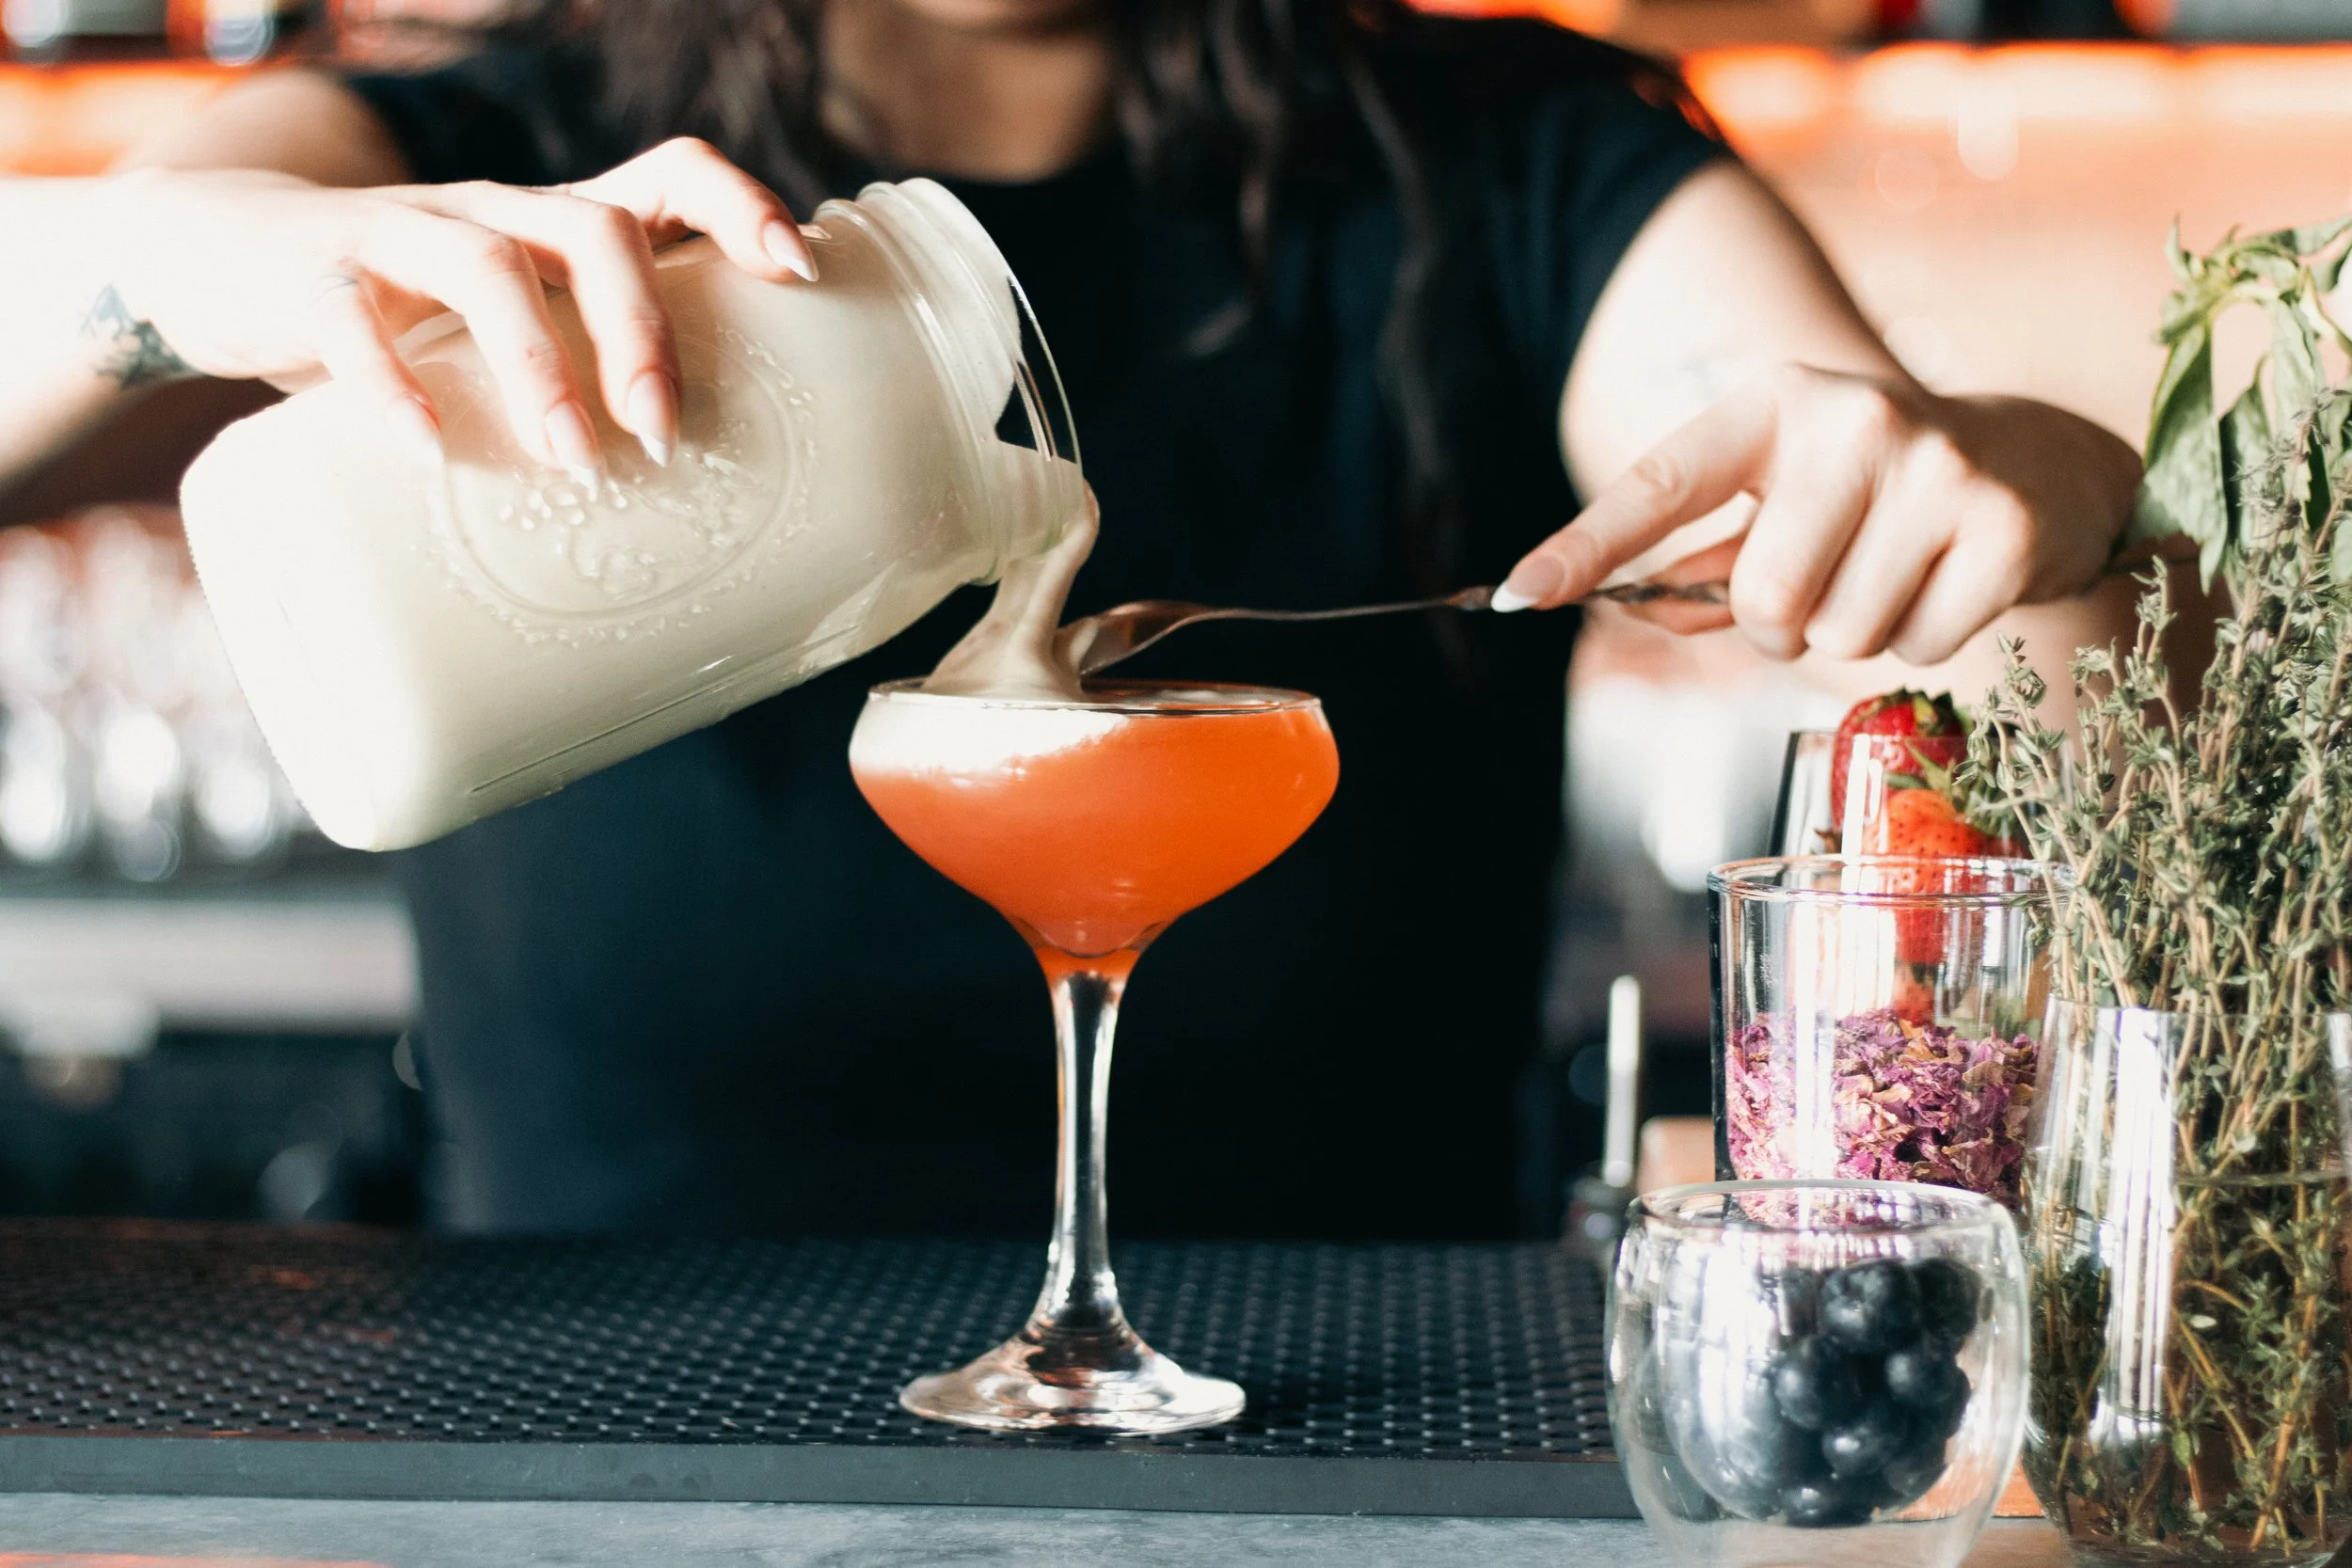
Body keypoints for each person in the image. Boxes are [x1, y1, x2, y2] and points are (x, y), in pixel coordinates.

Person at [0, 0, 2144, 1238]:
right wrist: (162, 265)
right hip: (589, 1452)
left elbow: (1902, 554)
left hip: (1356, 1455)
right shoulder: (488, 147)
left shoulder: (1511, 165)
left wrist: (2032, 509)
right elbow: (106, 278)